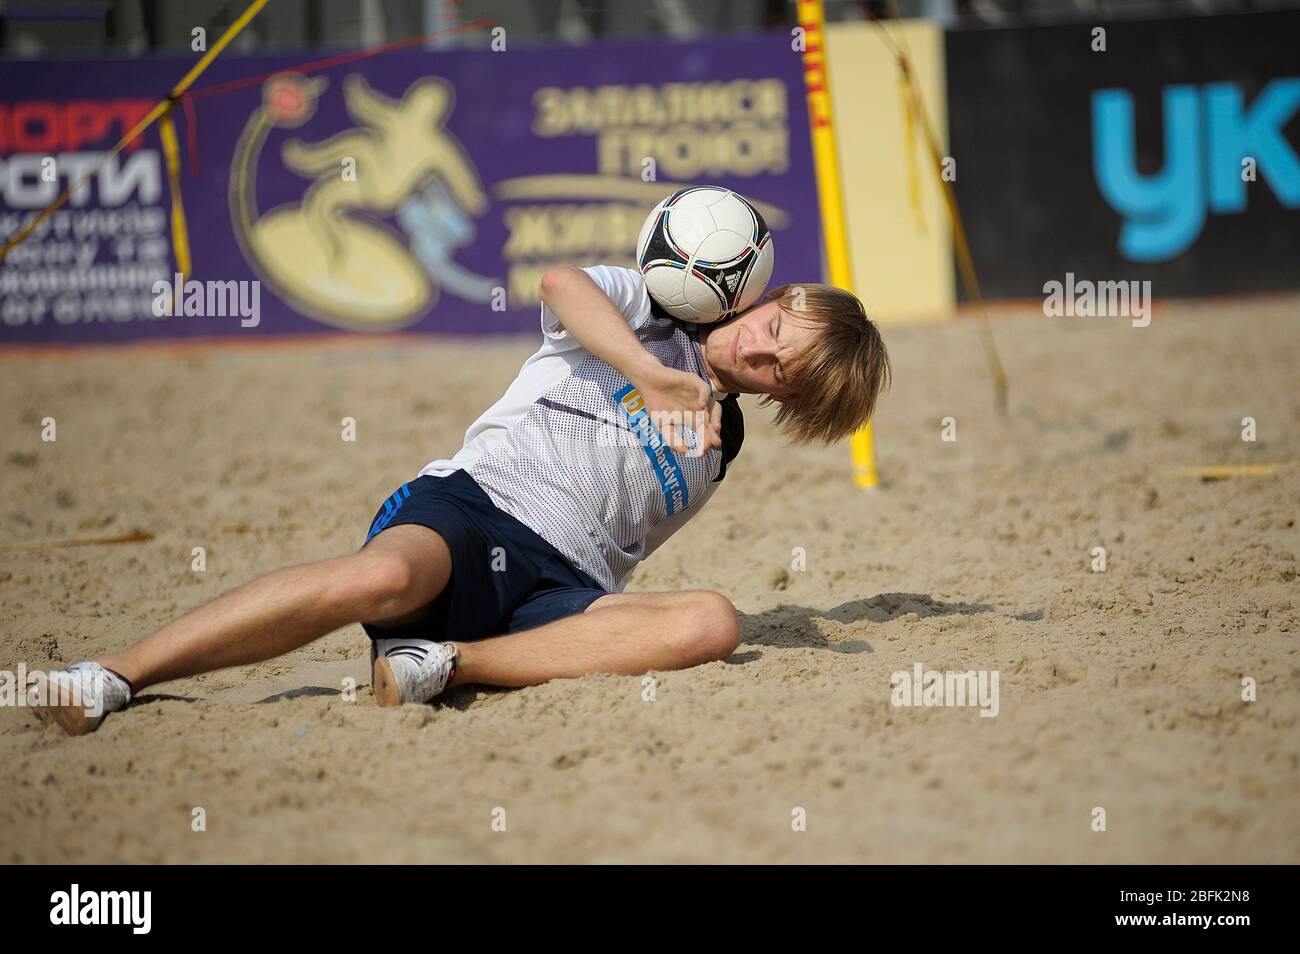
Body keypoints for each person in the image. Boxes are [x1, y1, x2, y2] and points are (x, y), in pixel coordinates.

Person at [35, 264, 890, 735]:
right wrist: (650, 375)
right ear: (774, 298)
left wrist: (694, 408)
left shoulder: (721, 439)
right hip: (474, 508)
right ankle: (115, 674)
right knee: (379, 584)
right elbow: (558, 284)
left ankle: (443, 665)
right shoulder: (649, 309)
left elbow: (629, 536)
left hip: (562, 587)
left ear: (785, 402)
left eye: (782, 375)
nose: (760, 354)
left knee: (713, 623)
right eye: (774, 331)